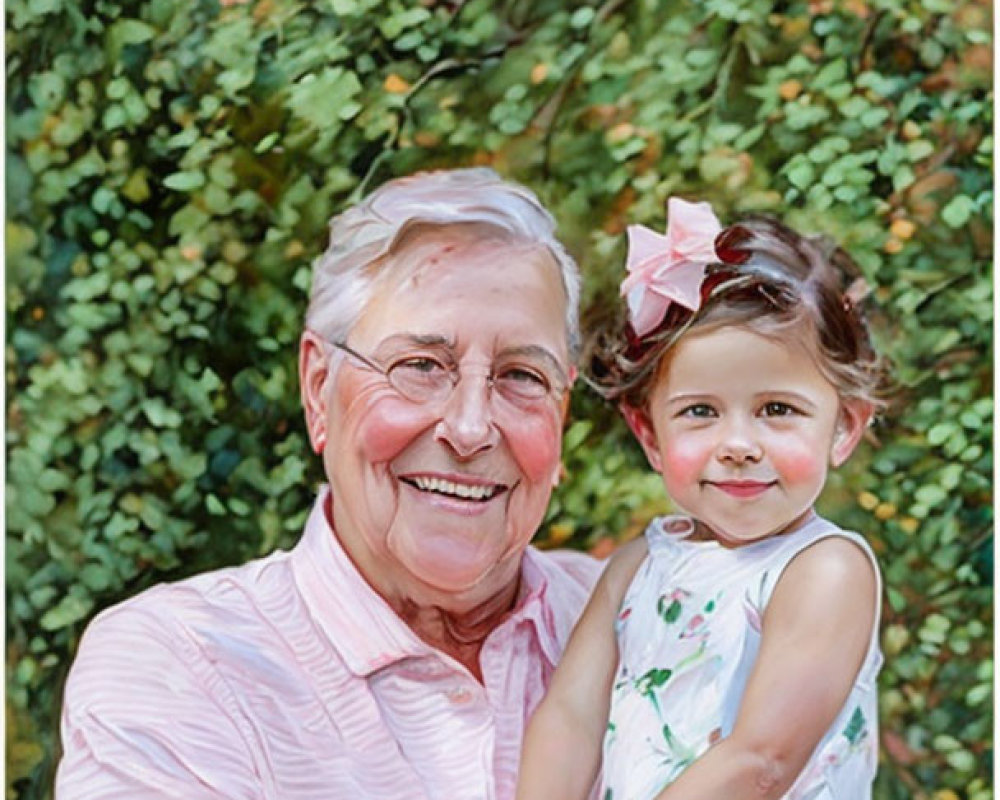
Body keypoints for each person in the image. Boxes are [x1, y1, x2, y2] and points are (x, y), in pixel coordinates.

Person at [56, 167, 602, 800]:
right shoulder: (179, 663)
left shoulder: (646, 619)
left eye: (520, 377)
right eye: (420, 366)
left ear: (560, 415)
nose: (472, 427)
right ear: (319, 389)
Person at [516, 198, 885, 800]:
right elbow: (570, 718)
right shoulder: (637, 566)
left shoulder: (824, 571)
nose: (737, 445)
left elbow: (760, 762)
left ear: (843, 426)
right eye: (700, 412)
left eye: (777, 410)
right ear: (651, 435)